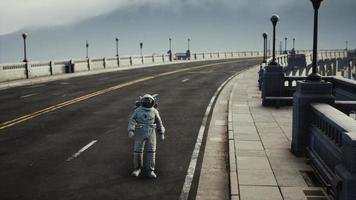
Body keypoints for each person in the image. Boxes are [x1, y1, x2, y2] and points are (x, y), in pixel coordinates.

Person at [127, 94, 165, 178]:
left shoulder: (154, 111)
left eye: (149, 102)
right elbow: (132, 120)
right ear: (141, 102)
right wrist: (131, 130)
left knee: (151, 152)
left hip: (151, 132)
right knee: (137, 151)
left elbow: (159, 122)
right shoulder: (138, 111)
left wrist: (161, 132)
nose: (147, 103)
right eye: (145, 102)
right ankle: (137, 169)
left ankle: (150, 170)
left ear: (153, 102)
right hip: (140, 131)